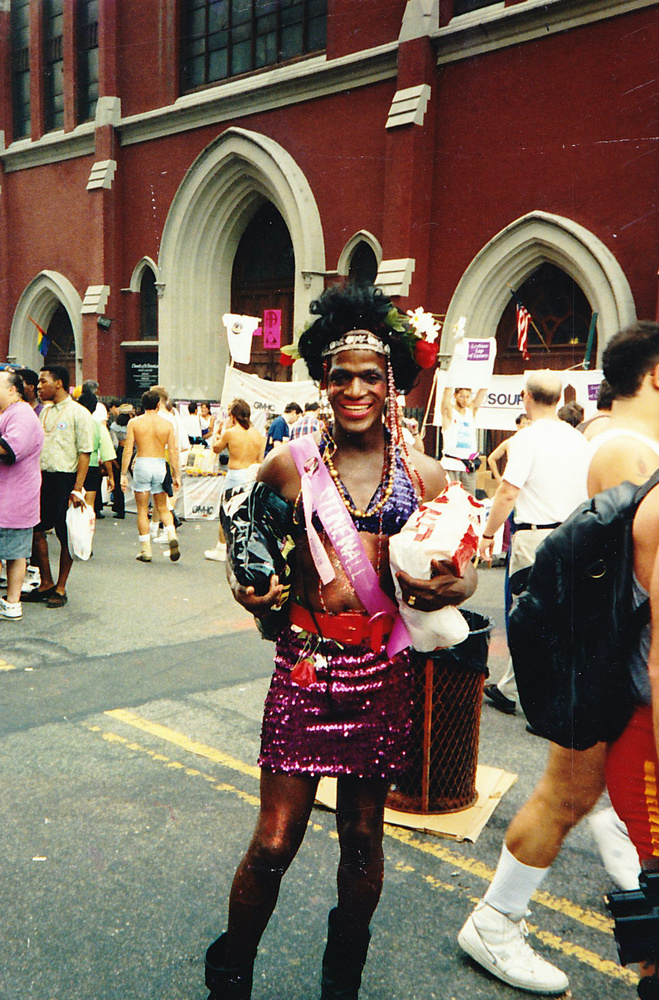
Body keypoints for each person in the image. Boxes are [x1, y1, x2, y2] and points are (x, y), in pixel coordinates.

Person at [204, 284, 477, 999]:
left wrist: (455, 588)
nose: (353, 388)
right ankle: (231, 969)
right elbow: (245, 543)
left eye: (369, 376)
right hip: (305, 673)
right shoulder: (290, 466)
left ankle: (342, 975)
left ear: (391, 385)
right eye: (339, 376)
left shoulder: (423, 476)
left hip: (380, 677)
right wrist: (251, 589)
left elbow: (464, 565)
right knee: (274, 842)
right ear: (321, 384)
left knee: (362, 841)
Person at [459, 329, 659, 995]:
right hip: (610, 665)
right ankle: (496, 921)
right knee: (571, 792)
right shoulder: (629, 450)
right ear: (655, 376)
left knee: (575, 793)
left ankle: (501, 918)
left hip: (603, 660)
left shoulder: (608, 438)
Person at [23, 365, 93, 609]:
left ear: (59, 383)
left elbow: (84, 453)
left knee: (66, 535)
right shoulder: (44, 412)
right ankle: (46, 582)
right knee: (36, 530)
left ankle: (60, 587)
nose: (38, 386)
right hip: (42, 479)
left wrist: (77, 488)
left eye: (43, 381)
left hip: (66, 479)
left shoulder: (79, 413)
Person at [0, 369, 44, 619]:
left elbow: (8, 449)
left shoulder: (22, 415)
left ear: (12, 390)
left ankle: (13, 602)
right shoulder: (9, 413)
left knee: (15, 554)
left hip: (14, 499)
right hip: (8, 497)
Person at [120, 389, 181, 563]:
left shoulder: (135, 423)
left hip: (142, 463)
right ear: (158, 404)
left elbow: (128, 448)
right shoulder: (167, 424)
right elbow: (174, 451)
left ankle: (146, 549)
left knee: (142, 509)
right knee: (162, 506)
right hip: (160, 464)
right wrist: (176, 474)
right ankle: (171, 533)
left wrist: (123, 473)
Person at [204, 399, 265, 562]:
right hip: (251, 475)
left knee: (226, 511)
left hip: (235, 473)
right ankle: (246, 549)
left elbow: (216, 448)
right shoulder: (258, 435)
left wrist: (218, 433)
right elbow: (261, 460)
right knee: (246, 513)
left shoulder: (230, 432)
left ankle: (221, 547)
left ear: (232, 415)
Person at [440, 385, 487, 494]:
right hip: (451, 464)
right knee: (450, 498)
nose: (465, 400)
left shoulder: (470, 412)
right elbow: (445, 400)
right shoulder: (450, 413)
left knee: (469, 499)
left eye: (467, 397)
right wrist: (450, 381)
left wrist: (485, 377)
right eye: (462, 397)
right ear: (455, 396)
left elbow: (482, 393)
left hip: (468, 465)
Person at [78, 389, 116, 515]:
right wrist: (111, 476)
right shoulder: (99, 426)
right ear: (95, 408)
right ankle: (86, 528)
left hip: (73, 467)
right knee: (89, 504)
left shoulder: (73, 422)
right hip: (92, 466)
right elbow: (107, 454)